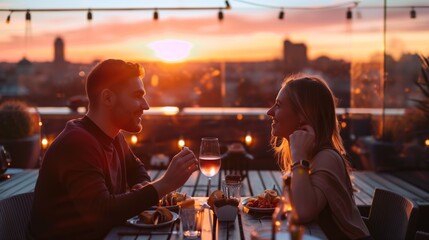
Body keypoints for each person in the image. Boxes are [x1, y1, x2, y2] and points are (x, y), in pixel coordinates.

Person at [28, 59, 199, 239]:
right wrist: (165, 184)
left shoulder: (113, 135)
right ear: (108, 98)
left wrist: (140, 189)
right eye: (136, 96)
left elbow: (137, 170)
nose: (146, 105)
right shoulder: (77, 143)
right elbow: (101, 213)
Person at [267, 76, 372, 239]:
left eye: (278, 105)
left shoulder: (326, 157)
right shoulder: (313, 155)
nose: (270, 112)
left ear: (303, 115)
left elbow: (302, 213)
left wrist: (299, 158)